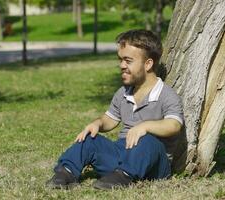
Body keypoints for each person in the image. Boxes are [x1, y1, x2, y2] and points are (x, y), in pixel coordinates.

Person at [46, 29, 184, 190]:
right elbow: (110, 119)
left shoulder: (166, 94)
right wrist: (97, 124)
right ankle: (66, 173)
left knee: (148, 140)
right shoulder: (124, 92)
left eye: (128, 60)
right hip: (121, 155)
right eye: (120, 60)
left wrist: (145, 126)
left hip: (153, 164)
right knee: (90, 138)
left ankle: (124, 176)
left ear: (148, 64)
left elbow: (174, 125)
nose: (122, 65)